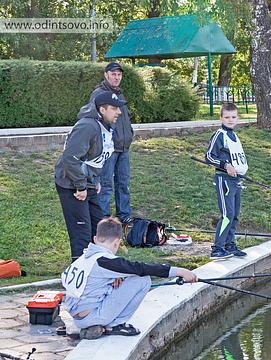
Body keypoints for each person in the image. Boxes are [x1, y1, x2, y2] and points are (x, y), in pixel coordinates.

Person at [62, 217, 198, 340]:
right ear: (117, 243)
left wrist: (115, 277)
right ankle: (115, 325)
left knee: (119, 280)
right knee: (143, 279)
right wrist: (179, 271)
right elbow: (140, 268)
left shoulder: (84, 258)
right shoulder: (106, 261)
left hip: (77, 317)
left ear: (95, 239)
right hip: (92, 316)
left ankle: (96, 326)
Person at [55, 91, 124, 262]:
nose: (119, 112)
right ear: (102, 109)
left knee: (99, 229)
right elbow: (70, 158)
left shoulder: (104, 126)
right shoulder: (88, 126)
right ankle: (79, 273)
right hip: (71, 183)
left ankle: (100, 266)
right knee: (82, 232)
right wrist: (81, 186)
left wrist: (95, 180)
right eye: (114, 108)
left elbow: (94, 158)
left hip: (88, 183)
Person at [78, 62, 133, 224]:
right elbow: (91, 118)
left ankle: (124, 214)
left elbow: (124, 118)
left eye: (119, 74)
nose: (117, 77)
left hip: (124, 147)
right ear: (106, 75)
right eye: (113, 74)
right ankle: (103, 217)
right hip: (108, 149)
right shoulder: (99, 94)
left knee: (123, 183)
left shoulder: (120, 94)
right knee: (105, 184)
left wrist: (129, 134)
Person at [205, 103, 248, 260]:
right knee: (227, 215)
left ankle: (230, 244)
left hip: (236, 181)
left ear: (238, 118)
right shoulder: (220, 135)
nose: (230, 120)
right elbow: (209, 156)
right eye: (227, 117)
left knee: (235, 215)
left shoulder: (234, 136)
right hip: (224, 180)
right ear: (221, 118)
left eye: (233, 117)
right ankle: (217, 248)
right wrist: (225, 165)